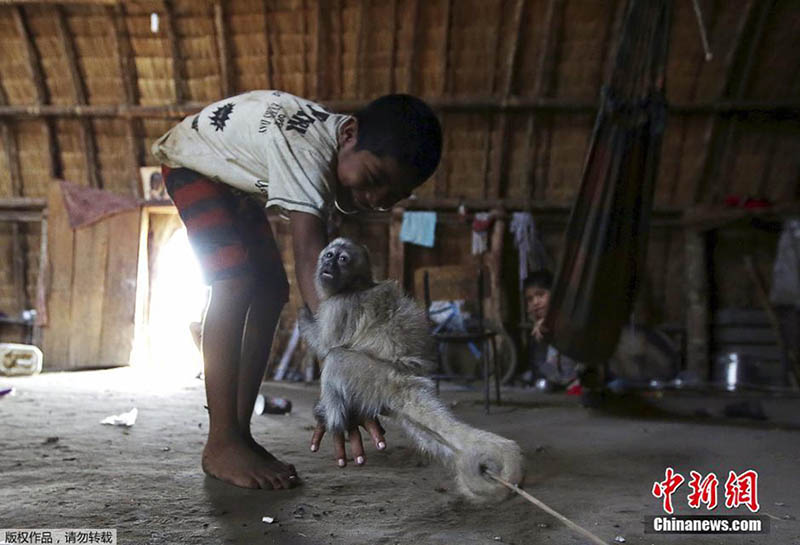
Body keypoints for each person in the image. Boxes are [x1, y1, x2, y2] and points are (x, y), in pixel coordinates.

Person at [151, 91, 442, 489]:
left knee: (270, 289)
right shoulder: (308, 149)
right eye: (373, 181)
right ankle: (221, 442)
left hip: (230, 179)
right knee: (235, 281)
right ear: (349, 135)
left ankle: (239, 434)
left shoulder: (333, 153)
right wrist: (346, 369)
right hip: (192, 163)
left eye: (388, 198)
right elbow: (311, 257)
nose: (374, 199)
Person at [522, 270, 582, 389]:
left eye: (540, 295)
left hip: (576, 376)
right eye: (530, 299)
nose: (536, 302)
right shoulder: (537, 326)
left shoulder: (569, 317)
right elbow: (539, 361)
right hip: (554, 378)